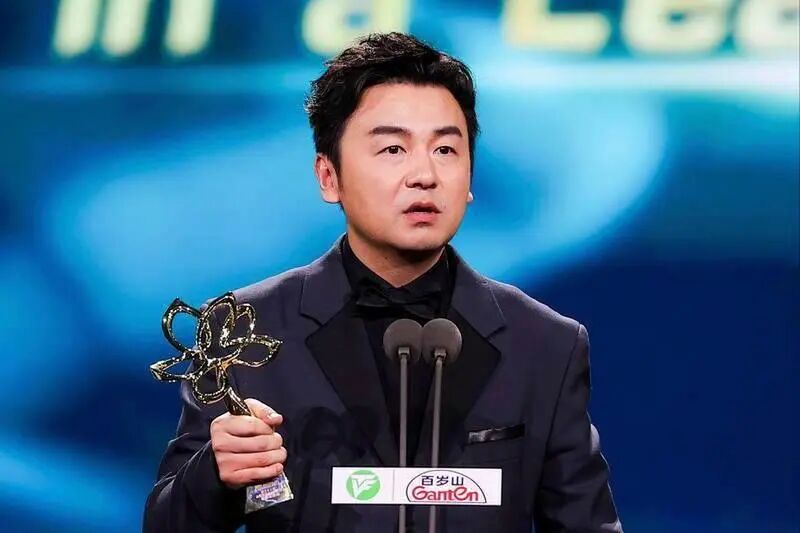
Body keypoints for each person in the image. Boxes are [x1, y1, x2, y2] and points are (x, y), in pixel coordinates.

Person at [143, 32, 622, 533]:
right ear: (329, 177)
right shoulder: (243, 330)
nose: (424, 175)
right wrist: (214, 475)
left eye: (446, 149)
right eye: (393, 148)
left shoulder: (545, 344)